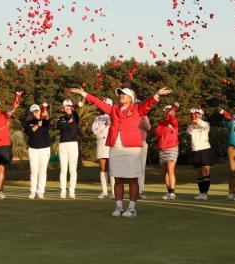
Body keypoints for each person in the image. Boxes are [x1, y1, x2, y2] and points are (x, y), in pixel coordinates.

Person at [71, 85, 170, 218]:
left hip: (132, 149)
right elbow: (98, 102)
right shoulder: (114, 109)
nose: (121, 96)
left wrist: (157, 94)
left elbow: (147, 104)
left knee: (132, 179)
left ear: (131, 98)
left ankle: (132, 208)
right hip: (115, 149)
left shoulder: (137, 109)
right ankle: (118, 207)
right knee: (117, 179)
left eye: (124, 94)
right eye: (120, 94)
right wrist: (83, 93)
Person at [23, 104, 51, 199]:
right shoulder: (28, 122)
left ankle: (40, 192)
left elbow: (48, 122)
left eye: (37, 111)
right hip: (33, 149)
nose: (36, 113)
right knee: (34, 171)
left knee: (42, 171)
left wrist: (46, 116)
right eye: (34, 111)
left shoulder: (44, 121)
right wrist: (37, 126)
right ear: (31, 113)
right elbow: (29, 132)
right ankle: (32, 191)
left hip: (45, 149)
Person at [56, 99, 81, 199]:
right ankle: (63, 191)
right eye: (65, 107)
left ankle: (72, 191)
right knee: (63, 169)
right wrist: (68, 122)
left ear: (71, 107)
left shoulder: (75, 116)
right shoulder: (61, 118)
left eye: (68, 107)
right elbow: (60, 127)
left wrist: (74, 109)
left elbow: (76, 118)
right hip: (63, 145)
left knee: (73, 170)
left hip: (73, 144)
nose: (66, 109)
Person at [186, 107, 214, 200]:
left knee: (205, 171)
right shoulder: (191, 126)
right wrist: (194, 124)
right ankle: (201, 192)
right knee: (198, 173)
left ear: (202, 115)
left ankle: (205, 194)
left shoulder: (206, 124)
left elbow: (204, 126)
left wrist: (197, 121)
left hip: (205, 149)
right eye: (196, 114)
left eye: (199, 114)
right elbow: (189, 131)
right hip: (195, 150)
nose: (197, 115)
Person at [155, 104, 180, 200]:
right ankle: (168, 191)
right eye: (166, 110)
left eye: (169, 110)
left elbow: (173, 119)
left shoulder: (174, 122)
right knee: (165, 172)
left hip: (172, 148)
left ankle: (172, 192)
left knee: (170, 170)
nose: (167, 112)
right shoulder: (161, 123)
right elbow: (158, 132)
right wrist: (167, 128)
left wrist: (172, 114)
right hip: (162, 149)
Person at [91, 99, 113, 199]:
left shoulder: (115, 116)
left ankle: (114, 192)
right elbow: (95, 131)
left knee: (113, 169)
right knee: (103, 168)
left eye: (108, 104)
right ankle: (104, 192)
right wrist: (104, 125)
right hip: (101, 143)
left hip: (112, 144)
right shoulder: (98, 118)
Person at [138, 114, 152, 199]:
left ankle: (140, 191)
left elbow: (148, 128)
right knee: (133, 169)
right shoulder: (131, 114)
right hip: (132, 144)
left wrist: (144, 120)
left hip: (142, 143)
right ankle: (134, 191)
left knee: (142, 169)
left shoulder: (145, 116)